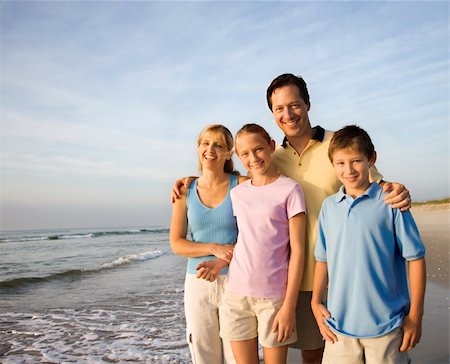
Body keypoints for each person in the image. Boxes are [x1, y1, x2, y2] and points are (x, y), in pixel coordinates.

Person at [173, 73, 411, 363]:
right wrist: (194, 180)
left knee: (339, 352)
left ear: (307, 104)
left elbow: (372, 184)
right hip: (290, 279)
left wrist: (394, 187)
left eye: (294, 105)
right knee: (311, 352)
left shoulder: (337, 145)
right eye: (279, 109)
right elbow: (244, 183)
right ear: (272, 115)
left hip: (340, 273)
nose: (288, 114)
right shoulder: (275, 156)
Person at [311, 125, 426, 364]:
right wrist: (315, 301)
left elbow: (415, 258)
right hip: (338, 326)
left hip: (387, 326)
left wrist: (416, 315)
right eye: (340, 163)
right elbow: (323, 259)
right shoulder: (329, 207)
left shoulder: (391, 202)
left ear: (371, 159)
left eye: (356, 161)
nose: (349, 170)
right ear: (332, 164)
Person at [216, 123, 306, 364]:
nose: (253, 158)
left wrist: (289, 305)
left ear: (271, 147)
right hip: (236, 294)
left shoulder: (290, 189)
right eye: (244, 153)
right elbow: (246, 239)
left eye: (258, 149)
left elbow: (298, 250)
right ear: (238, 156)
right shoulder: (238, 193)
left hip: (274, 298)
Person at [169, 124, 247, 364]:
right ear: (198, 148)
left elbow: (253, 235)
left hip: (236, 280)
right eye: (205, 143)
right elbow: (177, 243)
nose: (210, 149)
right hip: (197, 282)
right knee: (204, 354)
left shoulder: (242, 185)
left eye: (218, 145)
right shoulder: (184, 190)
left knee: (236, 354)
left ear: (228, 153)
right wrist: (213, 248)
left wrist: (222, 257)